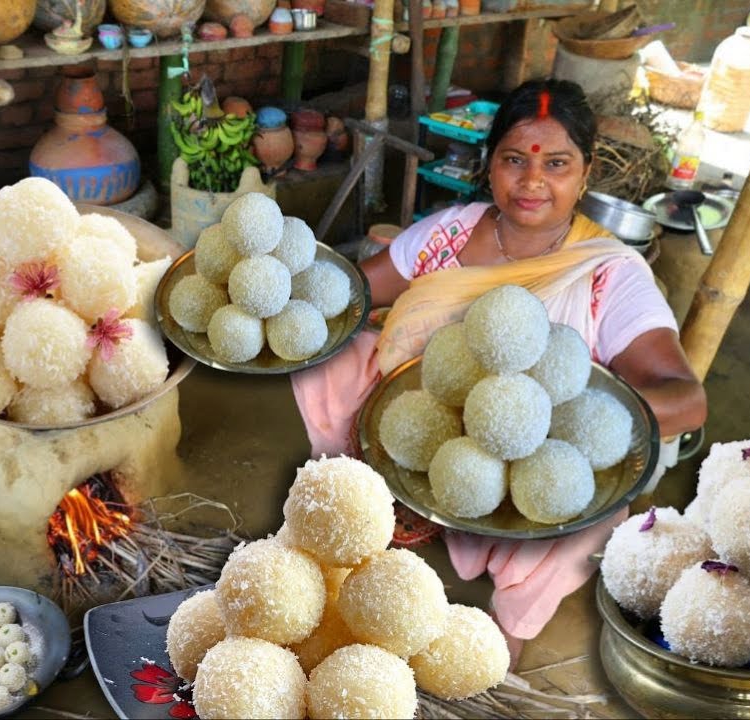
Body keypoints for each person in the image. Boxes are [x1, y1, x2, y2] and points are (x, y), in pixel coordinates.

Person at [291, 78, 707, 661]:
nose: (533, 181)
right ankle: (356, 519)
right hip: (423, 410)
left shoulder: (610, 273)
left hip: (530, 445)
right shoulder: (453, 231)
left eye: (557, 164)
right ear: (490, 168)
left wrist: (559, 418)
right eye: (514, 160)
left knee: (590, 520)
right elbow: (357, 292)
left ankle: (500, 636)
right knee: (326, 360)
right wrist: (288, 286)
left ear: (585, 174)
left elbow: (685, 397)